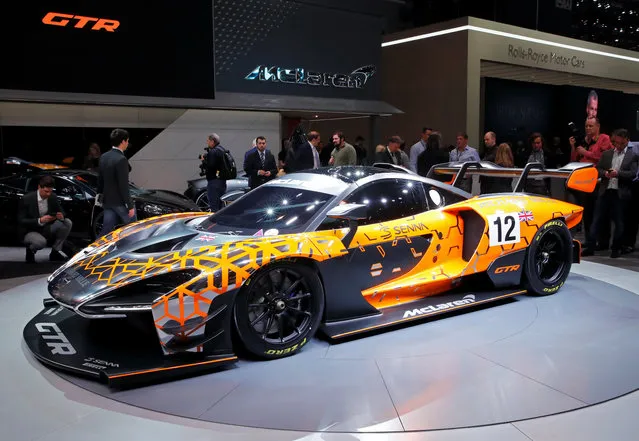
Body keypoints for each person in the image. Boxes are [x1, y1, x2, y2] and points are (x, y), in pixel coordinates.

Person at [582, 128, 638, 258]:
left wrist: (618, 174)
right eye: (615, 143)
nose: (618, 146)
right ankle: (590, 247)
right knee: (596, 220)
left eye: (621, 143)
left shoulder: (632, 155)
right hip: (605, 190)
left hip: (620, 193)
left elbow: (633, 174)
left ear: (627, 141)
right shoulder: (607, 154)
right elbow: (598, 169)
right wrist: (606, 173)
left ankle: (616, 248)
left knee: (619, 222)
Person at [18, 175, 72, 263]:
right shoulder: (27, 199)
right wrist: (40, 220)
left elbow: (62, 212)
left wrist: (61, 216)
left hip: (47, 228)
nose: (48, 194)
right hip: (30, 230)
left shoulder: (52, 197)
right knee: (40, 243)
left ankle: (55, 251)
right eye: (46, 191)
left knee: (67, 222)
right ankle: (30, 250)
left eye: (50, 192)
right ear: (39, 187)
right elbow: (21, 220)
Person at [97, 128, 135, 235]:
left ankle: (93, 250)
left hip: (107, 200)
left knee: (106, 230)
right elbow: (123, 185)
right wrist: (130, 205)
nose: (127, 143)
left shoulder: (104, 157)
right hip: (119, 202)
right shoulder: (121, 159)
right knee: (133, 229)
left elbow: (100, 179)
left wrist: (99, 196)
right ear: (123, 141)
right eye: (127, 141)